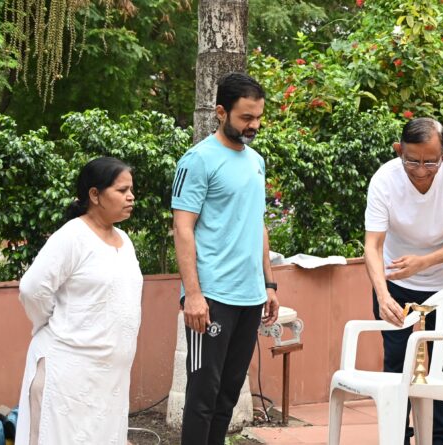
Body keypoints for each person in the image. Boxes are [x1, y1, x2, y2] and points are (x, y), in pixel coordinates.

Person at [171, 72, 279, 445]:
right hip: (212, 298)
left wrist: (268, 283)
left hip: (250, 297)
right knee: (203, 397)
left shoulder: (256, 161)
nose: (254, 126)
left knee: (227, 397)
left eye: (259, 117)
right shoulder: (198, 159)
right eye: (246, 118)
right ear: (221, 112)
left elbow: (257, 223)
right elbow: (182, 228)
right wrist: (194, 295)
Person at [364, 117, 443, 445]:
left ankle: (438, 438)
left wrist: (424, 262)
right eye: (411, 160)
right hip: (396, 283)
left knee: (440, 366)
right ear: (399, 150)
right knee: (397, 362)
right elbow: (372, 244)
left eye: (431, 161)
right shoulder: (385, 179)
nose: (421, 169)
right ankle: (396, 435)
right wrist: (382, 293)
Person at [15, 157, 142, 445]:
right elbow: (32, 289)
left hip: (109, 381)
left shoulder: (124, 239)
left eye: (131, 190)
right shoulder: (72, 236)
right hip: (67, 375)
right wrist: (52, 323)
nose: (131, 197)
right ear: (94, 195)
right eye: (122, 190)